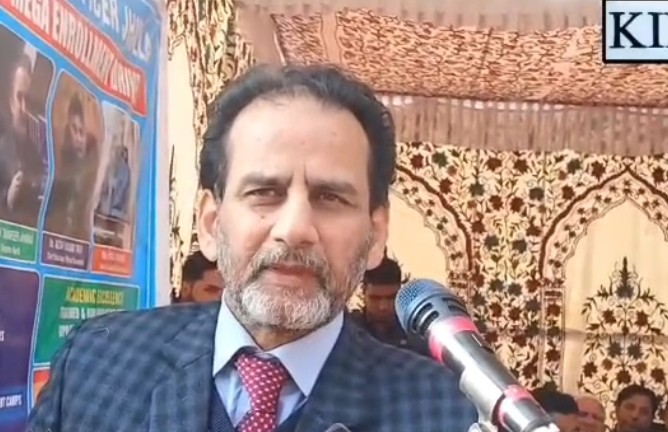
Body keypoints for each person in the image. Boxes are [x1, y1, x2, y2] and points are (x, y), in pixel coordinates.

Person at [28, 64, 477, 431]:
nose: (295, 228)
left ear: (375, 234)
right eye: (265, 193)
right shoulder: (96, 365)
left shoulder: (446, 412)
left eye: (330, 197)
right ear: (211, 223)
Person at [44, 94, 98, 240]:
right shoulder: (60, 175)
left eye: (82, 132)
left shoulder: (92, 179)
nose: (79, 139)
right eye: (74, 130)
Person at [0, 53, 44, 226]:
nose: (24, 108)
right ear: (11, 101)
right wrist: (7, 198)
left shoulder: (35, 156)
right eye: (19, 98)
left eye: (28, 99)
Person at [348, 256, 422, 352]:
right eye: (375, 298)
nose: (383, 307)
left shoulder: (416, 332)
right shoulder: (348, 330)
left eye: (391, 298)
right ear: (364, 292)